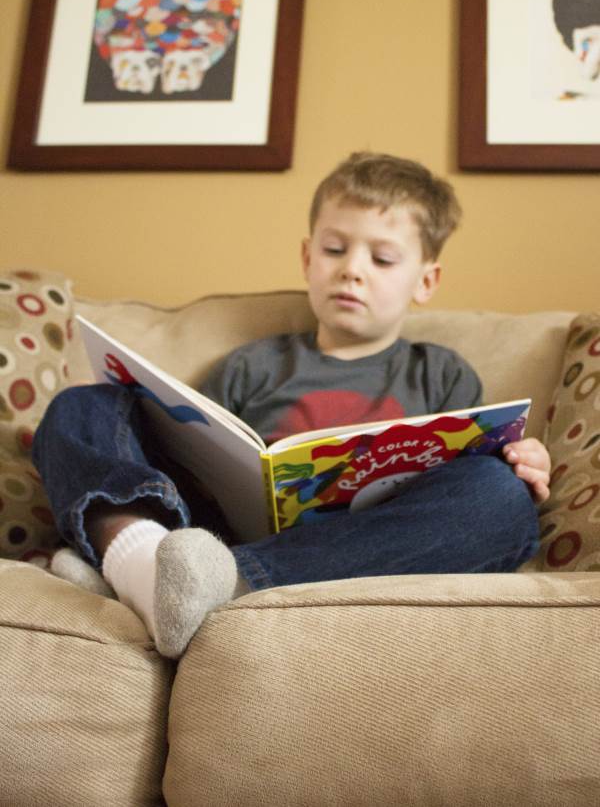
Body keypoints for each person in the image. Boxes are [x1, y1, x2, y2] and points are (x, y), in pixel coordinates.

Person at [32, 152, 549, 659]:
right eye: (334, 249)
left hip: (362, 544)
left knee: (499, 496)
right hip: (211, 530)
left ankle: (172, 582)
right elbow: (190, 448)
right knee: (84, 404)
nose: (352, 270)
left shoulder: (442, 373)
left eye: (382, 258)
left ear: (426, 281)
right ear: (307, 258)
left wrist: (520, 463)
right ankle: (140, 557)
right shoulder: (251, 365)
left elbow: (471, 469)